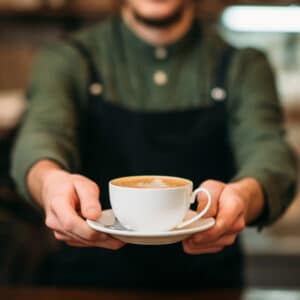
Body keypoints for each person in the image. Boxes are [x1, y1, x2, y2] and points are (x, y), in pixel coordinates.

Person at [11, 0, 297, 289]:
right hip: (88, 284)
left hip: (208, 285)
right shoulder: (68, 57)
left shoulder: (244, 64)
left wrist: (245, 196)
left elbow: (269, 151)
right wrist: (49, 182)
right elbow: (41, 134)